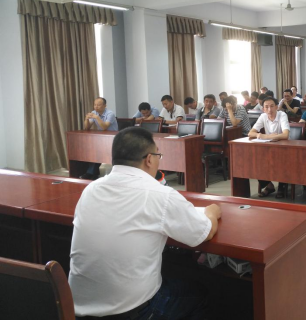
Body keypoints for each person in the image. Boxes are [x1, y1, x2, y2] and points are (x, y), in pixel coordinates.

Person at [69, 127, 221, 319]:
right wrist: (212, 212)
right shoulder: (160, 194)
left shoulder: (91, 190)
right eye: (158, 155)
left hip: (76, 310)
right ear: (149, 159)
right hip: (132, 313)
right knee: (199, 293)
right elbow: (204, 232)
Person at [248, 97, 290, 198]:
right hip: (269, 147)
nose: (269, 109)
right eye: (266, 107)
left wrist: (264, 136)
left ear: (276, 107)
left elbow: (285, 135)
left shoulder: (282, 115)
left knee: (282, 161)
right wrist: (267, 136)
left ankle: (282, 186)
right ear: (263, 109)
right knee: (255, 161)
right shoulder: (263, 116)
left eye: (272, 106)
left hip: (284, 147)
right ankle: (269, 185)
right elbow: (251, 133)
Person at [80, 97, 118, 180]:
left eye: (98, 105)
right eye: (95, 105)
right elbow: (87, 128)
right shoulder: (94, 112)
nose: (96, 107)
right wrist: (86, 119)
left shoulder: (110, 114)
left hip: (113, 139)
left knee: (98, 150)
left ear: (105, 106)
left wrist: (97, 117)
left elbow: (104, 127)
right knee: (92, 150)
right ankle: (92, 172)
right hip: (101, 138)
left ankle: (92, 172)